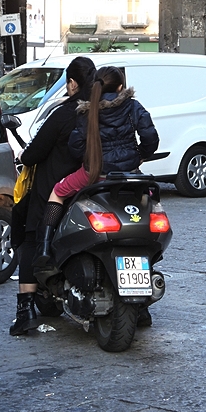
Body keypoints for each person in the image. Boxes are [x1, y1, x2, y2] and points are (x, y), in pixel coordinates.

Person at [35, 65, 160, 265]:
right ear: (120, 87)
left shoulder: (88, 110)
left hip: (95, 173)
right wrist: (139, 157)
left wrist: (90, 159)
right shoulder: (133, 106)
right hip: (130, 172)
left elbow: (75, 146)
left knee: (58, 192)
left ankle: (43, 247)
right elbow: (150, 137)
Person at [9, 56, 96, 336]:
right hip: (92, 191)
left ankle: (24, 311)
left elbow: (35, 152)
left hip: (53, 191)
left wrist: (24, 155)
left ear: (72, 83)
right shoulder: (101, 111)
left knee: (31, 240)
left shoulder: (64, 113)